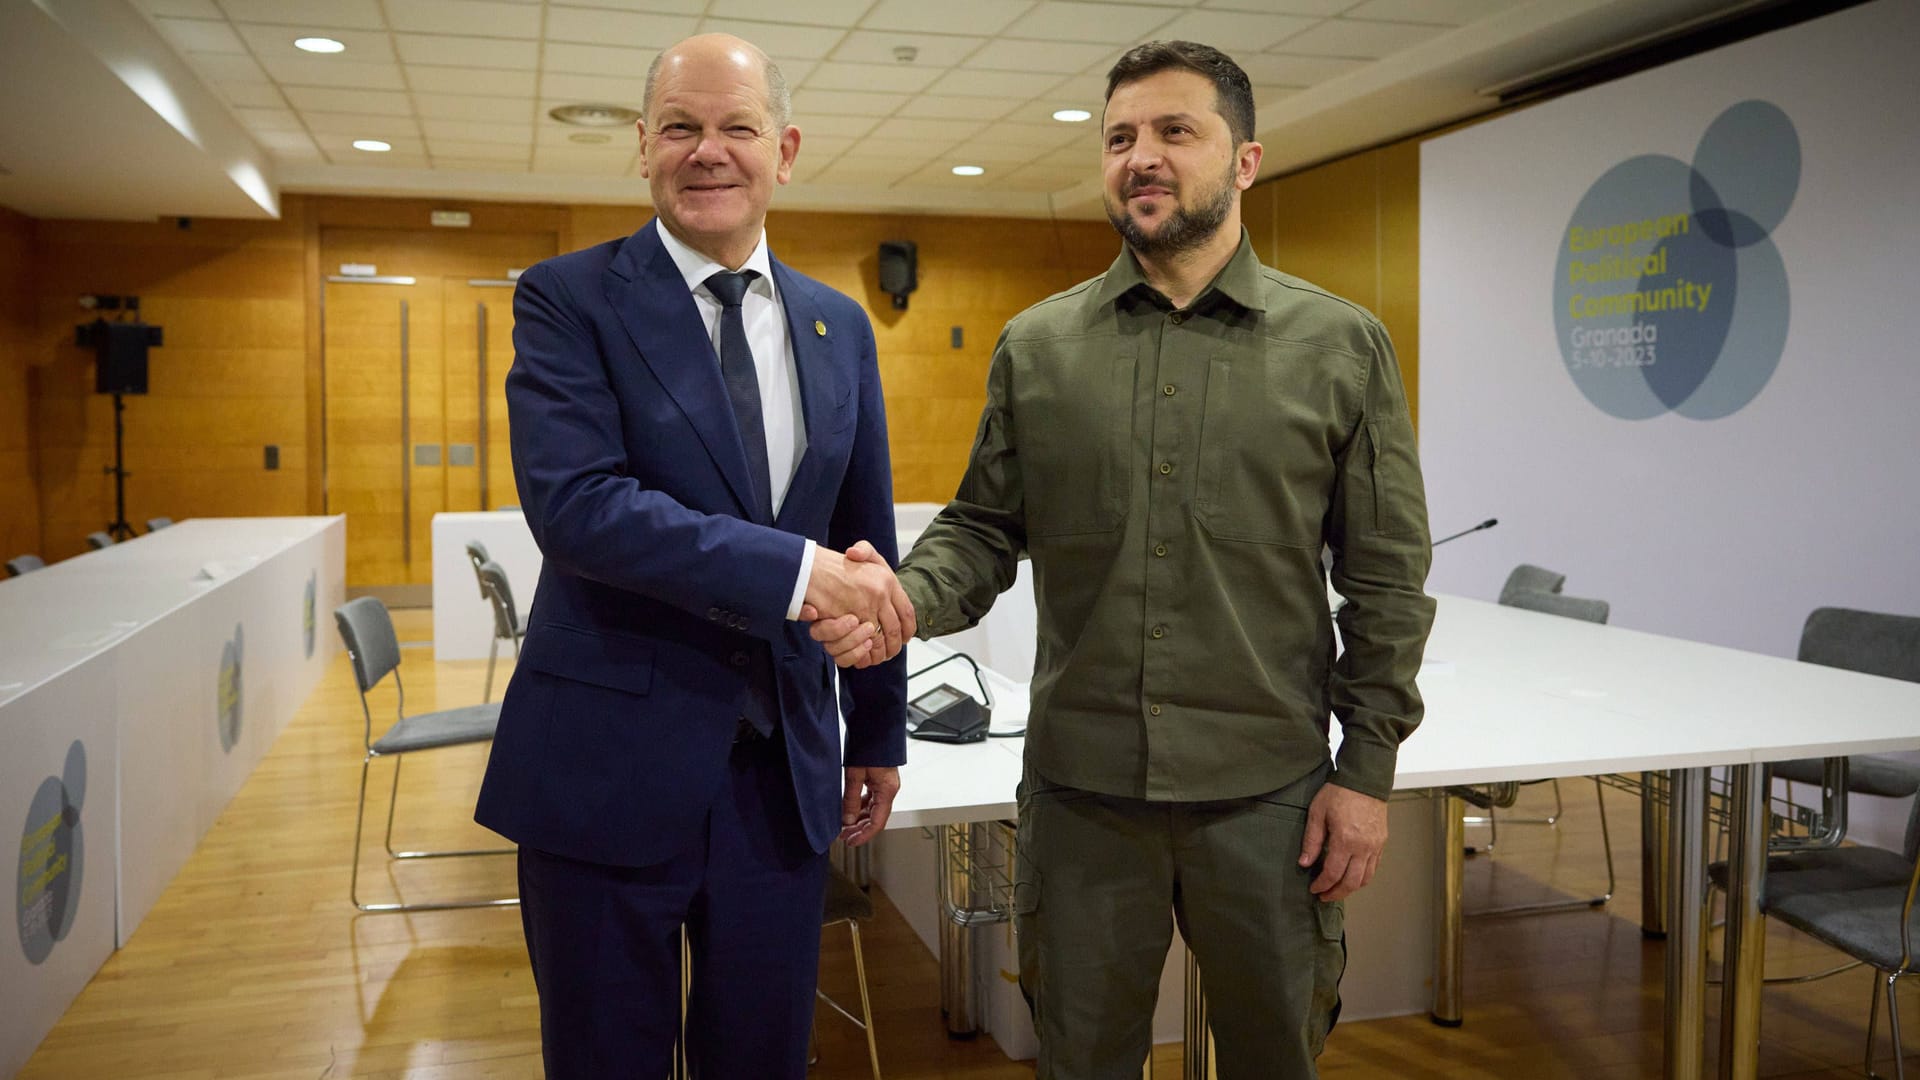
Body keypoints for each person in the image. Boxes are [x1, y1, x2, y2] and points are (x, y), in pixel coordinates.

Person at [813, 39, 1435, 1079]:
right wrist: (901, 600)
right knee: (1082, 1061)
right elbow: (981, 528)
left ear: (1244, 161)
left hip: (1270, 796)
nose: (1140, 156)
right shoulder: (1039, 346)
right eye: (1120, 138)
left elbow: (1384, 579)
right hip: (1084, 796)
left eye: (1174, 131)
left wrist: (1366, 773)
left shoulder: (1342, 347)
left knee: (1277, 1059)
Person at [474, 33, 913, 1080]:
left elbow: (869, 542)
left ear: (786, 149)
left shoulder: (837, 325)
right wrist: (801, 575)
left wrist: (880, 729)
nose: (706, 151)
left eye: (736, 127)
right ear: (641, 146)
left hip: (779, 786)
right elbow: (582, 509)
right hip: (604, 772)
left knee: (761, 1060)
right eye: (680, 126)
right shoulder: (569, 298)